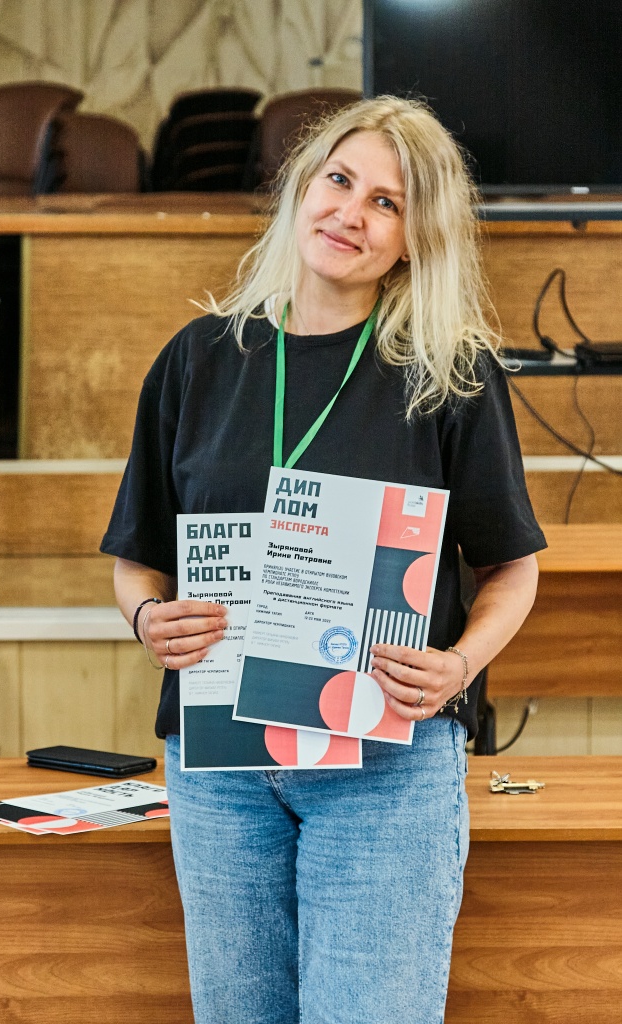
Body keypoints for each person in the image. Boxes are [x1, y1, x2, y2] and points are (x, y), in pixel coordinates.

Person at [101, 96, 546, 1024]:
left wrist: (461, 664)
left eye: (387, 203)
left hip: (385, 762)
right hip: (221, 764)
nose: (351, 213)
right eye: (339, 180)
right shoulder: (198, 358)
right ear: (301, 185)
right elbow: (137, 557)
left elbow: (512, 567)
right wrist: (147, 617)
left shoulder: (450, 372)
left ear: (415, 239)